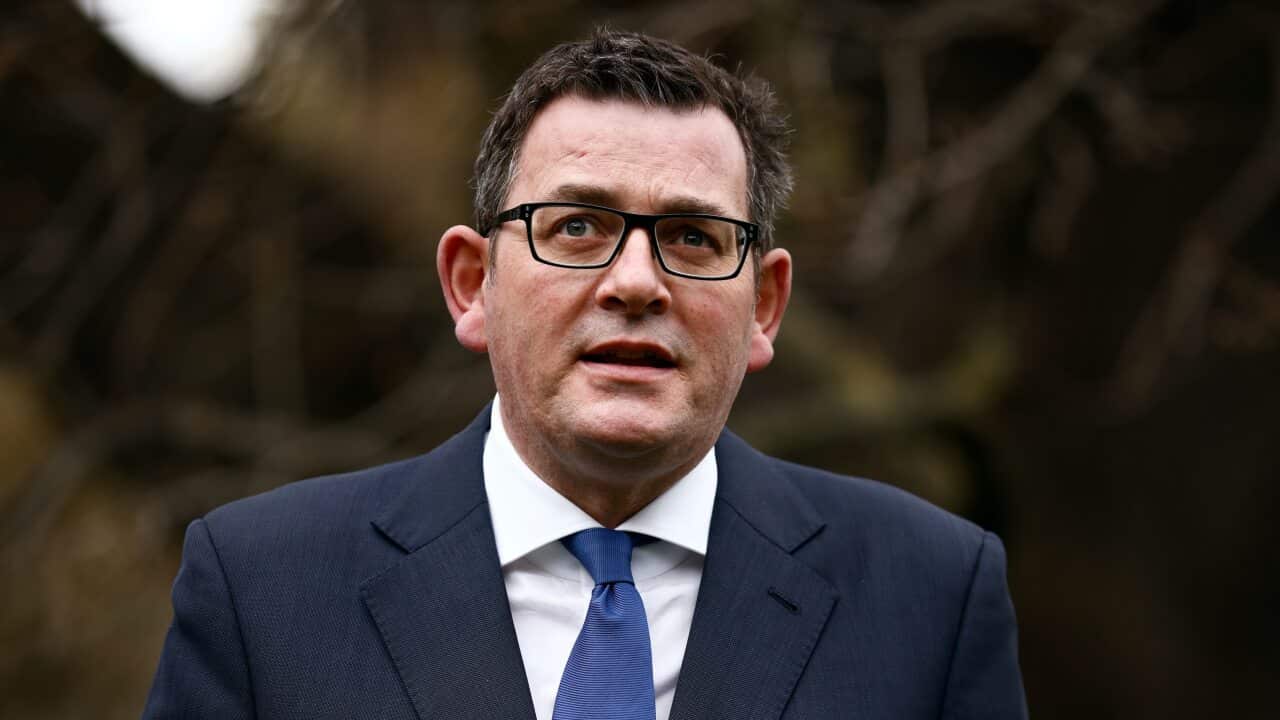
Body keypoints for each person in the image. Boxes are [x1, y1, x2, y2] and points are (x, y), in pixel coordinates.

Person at [142, 29, 1027, 720]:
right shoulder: (263, 589)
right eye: (575, 228)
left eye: (692, 237)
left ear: (764, 306)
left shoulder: (931, 595)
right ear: (471, 284)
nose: (637, 282)